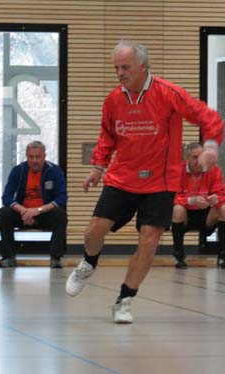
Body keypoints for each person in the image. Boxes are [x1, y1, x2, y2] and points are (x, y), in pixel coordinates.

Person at [65, 40, 223, 324]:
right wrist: (98, 168)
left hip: (160, 183)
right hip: (121, 178)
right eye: (116, 67)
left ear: (143, 66)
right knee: (93, 232)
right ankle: (89, 263)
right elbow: (107, 136)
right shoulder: (114, 99)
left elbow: (206, 116)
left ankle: (124, 300)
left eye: (125, 67)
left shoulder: (167, 93)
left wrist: (211, 146)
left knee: (148, 241)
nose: (120, 73)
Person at [0, 141, 67, 268]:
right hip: (23, 214)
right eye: (31, 157)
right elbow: (6, 197)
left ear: (44, 157)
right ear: (27, 157)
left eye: (38, 157)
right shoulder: (18, 170)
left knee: (60, 214)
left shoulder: (54, 171)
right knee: (4, 213)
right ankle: (8, 257)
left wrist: (38, 210)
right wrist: (23, 210)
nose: (35, 160)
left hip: (44, 214)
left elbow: (62, 197)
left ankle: (56, 258)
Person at [171, 143, 225, 269]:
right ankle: (179, 255)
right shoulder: (178, 170)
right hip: (186, 214)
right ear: (187, 158)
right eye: (195, 157)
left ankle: (223, 255)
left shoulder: (214, 170)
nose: (199, 160)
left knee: (223, 208)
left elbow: (221, 194)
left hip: (206, 215)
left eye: (202, 156)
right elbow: (171, 197)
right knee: (177, 209)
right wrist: (191, 200)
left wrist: (216, 199)